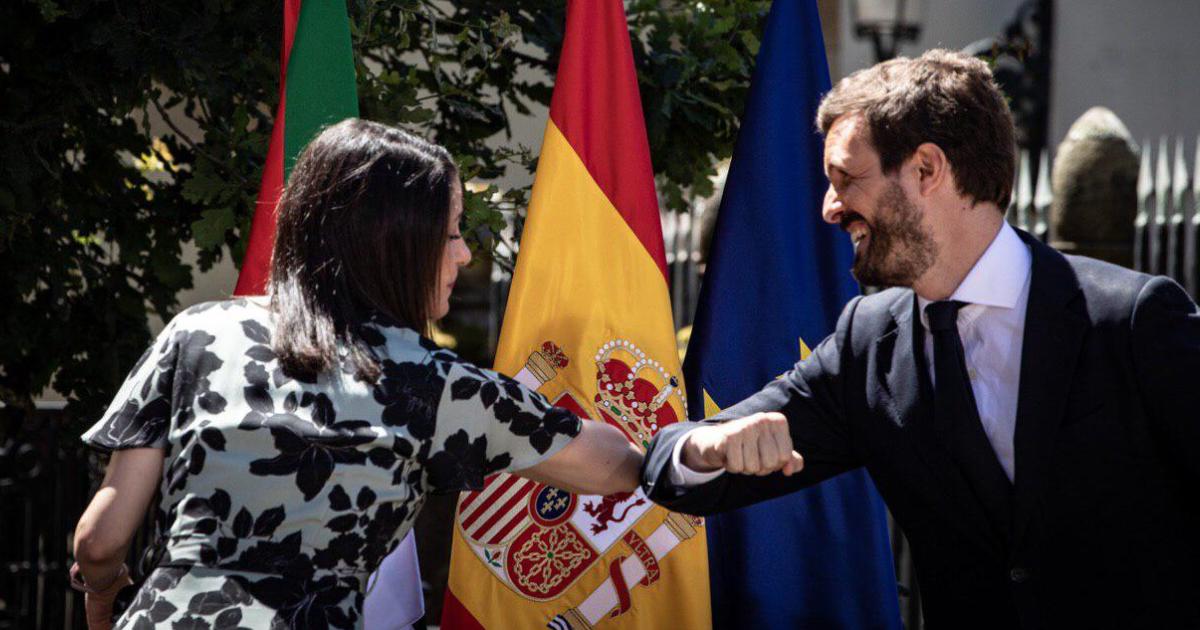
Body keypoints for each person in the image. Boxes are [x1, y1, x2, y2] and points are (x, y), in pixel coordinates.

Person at [642, 49, 1200, 629]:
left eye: (846, 180)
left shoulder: (1131, 319)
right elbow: (672, 463)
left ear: (926, 169)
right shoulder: (868, 344)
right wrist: (706, 448)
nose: (831, 209)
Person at [71, 118, 643, 629]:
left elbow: (99, 542)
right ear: (395, 247)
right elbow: (619, 466)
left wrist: (104, 598)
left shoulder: (195, 334)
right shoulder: (437, 385)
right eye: (451, 233)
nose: (465, 255)